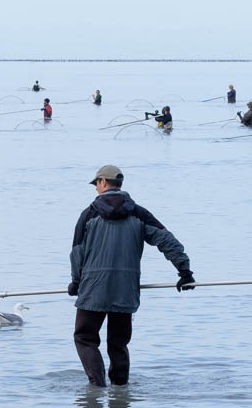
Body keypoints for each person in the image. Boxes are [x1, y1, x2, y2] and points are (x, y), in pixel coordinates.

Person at [68, 164, 193, 388]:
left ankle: (97, 386)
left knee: (85, 338)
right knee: (118, 343)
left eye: (96, 184)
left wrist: (76, 282)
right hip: (125, 290)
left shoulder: (88, 214)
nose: (96, 188)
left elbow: (77, 252)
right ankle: (120, 389)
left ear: (103, 182)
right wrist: (184, 271)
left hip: (92, 288)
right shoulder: (139, 213)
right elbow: (167, 241)